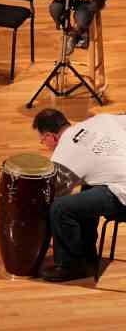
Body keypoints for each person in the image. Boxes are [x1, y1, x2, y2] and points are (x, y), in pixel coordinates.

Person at [32, 109, 126, 282]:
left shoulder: (62, 155)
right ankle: (86, 251)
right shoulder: (102, 120)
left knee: (60, 208)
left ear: (51, 136)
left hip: (123, 196)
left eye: (42, 140)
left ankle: (71, 265)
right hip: (119, 184)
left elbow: (51, 195)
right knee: (88, 188)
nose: (43, 144)